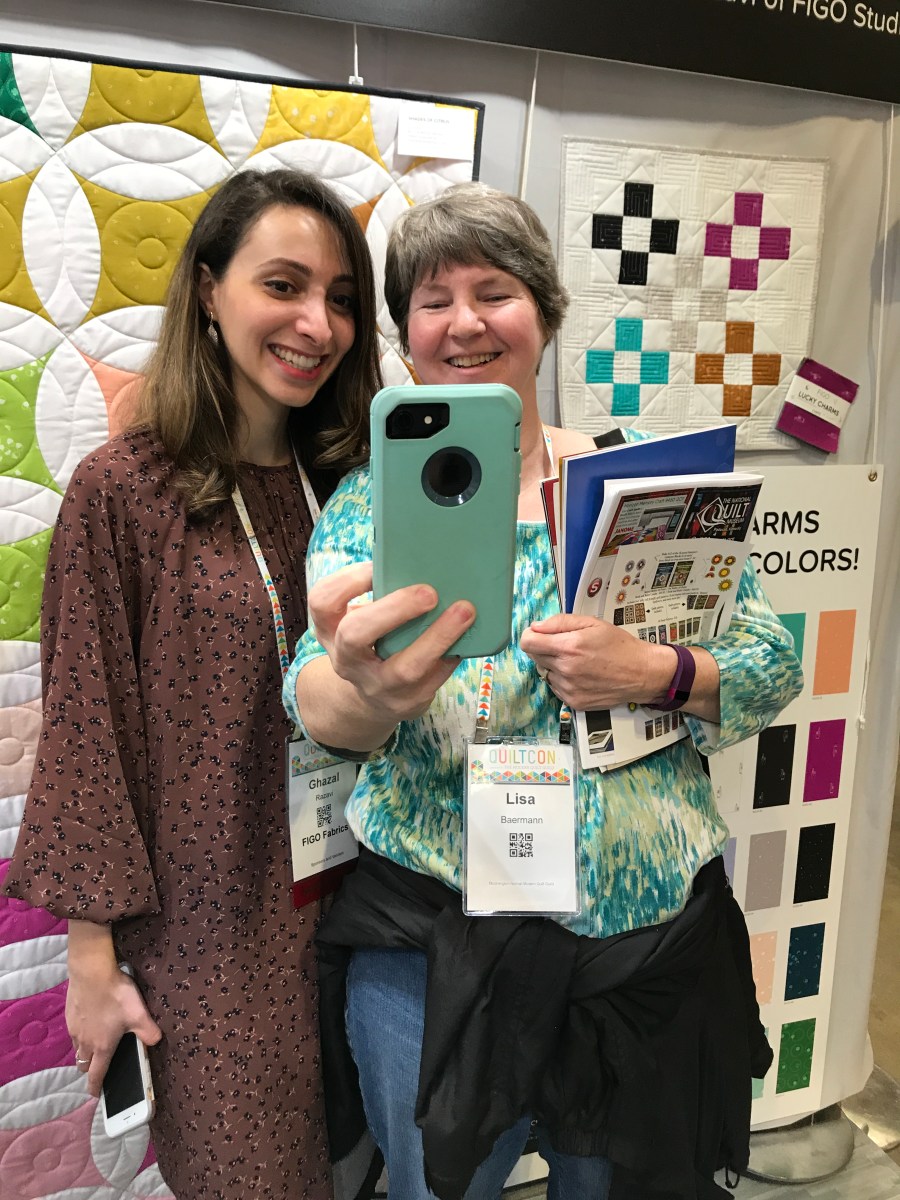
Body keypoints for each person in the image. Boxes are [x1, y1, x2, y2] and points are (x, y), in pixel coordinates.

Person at [284, 182, 803, 1200]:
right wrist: (369, 691)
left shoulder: (640, 485)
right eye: (433, 300)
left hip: (645, 952)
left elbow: (770, 660)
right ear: (404, 336)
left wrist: (655, 671)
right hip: (437, 950)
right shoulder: (370, 506)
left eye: (496, 292)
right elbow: (313, 701)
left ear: (545, 314)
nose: (465, 322)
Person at [3, 167, 382, 1200]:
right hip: (213, 946)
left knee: (369, 1170)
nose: (317, 324)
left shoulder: (358, 489)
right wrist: (91, 961)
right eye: (284, 285)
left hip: (375, 912)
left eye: (342, 298)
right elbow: (88, 732)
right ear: (209, 291)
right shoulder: (126, 493)